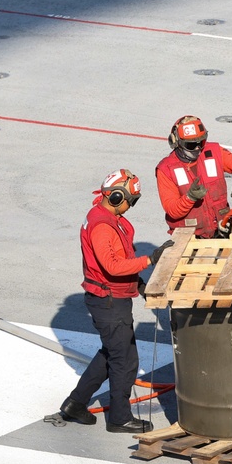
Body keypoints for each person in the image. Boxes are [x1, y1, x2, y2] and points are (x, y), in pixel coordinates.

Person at [59, 170, 174, 433]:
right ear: (116, 196)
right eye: (130, 200)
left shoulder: (110, 218)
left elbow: (120, 260)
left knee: (111, 353)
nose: (130, 206)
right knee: (125, 359)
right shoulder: (101, 225)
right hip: (109, 302)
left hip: (112, 298)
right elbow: (111, 266)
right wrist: (150, 260)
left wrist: (141, 285)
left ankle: (75, 403)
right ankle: (119, 418)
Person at [155, 115, 232, 238]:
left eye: (201, 142)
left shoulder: (213, 152)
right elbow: (172, 210)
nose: (198, 148)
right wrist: (189, 198)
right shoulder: (166, 169)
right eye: (191, 145)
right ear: (177, 142)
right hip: (189, 237)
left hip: (221, 229)